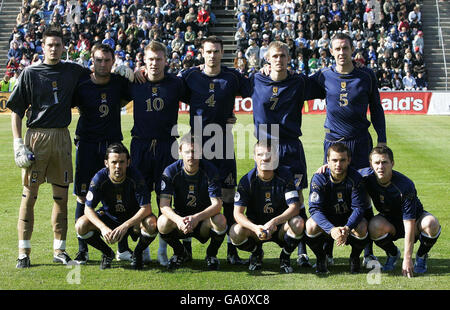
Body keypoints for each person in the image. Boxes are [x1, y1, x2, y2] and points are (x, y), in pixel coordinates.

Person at [7, 27, 92, 268]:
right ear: (42, 47)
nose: (54, 48)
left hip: (62, 138)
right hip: (36, 137)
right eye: (49, 45)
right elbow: (16, 111)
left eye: (58, 45)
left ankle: (59, 250)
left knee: (61, 198)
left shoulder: (73, 71)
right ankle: (23, 252)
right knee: (29, 196)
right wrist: (18, 143)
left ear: (64, 47)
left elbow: (97, 73)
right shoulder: (30, 73)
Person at [311, 32, 387, 266]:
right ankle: (327, 251)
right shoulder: (323, 76)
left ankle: (367, 252)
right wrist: (267, 70)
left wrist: (381, 140)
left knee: (363, 196)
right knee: (329, 193)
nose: (341, 53)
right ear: (330, 51)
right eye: (337, 49)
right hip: (333, 143)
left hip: (360, 142)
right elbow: (296, 87)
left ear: (352, 49)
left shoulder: (366, 75)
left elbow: (376, 108)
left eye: (345, 48)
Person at [250, 40, 324, 267]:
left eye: (283, 56)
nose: (279, 60)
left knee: (298, 198)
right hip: (265, 147)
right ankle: (257, 248)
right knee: (261, 195)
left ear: (289, 59)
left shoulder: (299, 82)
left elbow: (327, 84)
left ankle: (301, 251)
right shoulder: (255, 80)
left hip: (290, 146)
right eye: (275, 56)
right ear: (267, 59)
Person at [180, 36, 250, 265]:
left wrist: (267, 67)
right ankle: (186, 248)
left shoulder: (232, 77)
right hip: (197, 145)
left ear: (222, 53)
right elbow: (168, 88)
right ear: (202, 53)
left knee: (228, 194)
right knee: (188, 194)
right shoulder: (190, 76)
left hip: (223, 144)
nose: (212, 55)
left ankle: (231, 250)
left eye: (216, 51)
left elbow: (255, 87)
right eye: (208, 51)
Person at [71, 43, 138, 265]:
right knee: (82, 196)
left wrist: (135, 72)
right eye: (98, 60)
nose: (103, 64)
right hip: (88, 145)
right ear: (92, 61)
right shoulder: (81, 84)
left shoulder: (119, 83)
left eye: (107, 60)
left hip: (112, 144)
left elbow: (135, 92)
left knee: (119, 190)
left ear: (113, 62)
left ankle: (122, 246)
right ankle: (83, 250)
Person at [126, 40, 188, 266]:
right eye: (150, 59)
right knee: (139, 197)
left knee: (166, 198)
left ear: (166, 61)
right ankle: (142, 248)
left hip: (166, 146)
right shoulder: (134, 81)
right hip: (140, 146)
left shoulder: (176, 84)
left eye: (158, 59)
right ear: (144, 61)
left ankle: (165, 247)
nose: (154, 64)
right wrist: (128, 70)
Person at [360, 146, 441, 277]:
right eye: (376, 163)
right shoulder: (365, 176)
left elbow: (409, 223)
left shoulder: (405, 185)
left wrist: (407, 259)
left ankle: (421, 256)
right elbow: (344, 172)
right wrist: (324, 170)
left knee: (431, 223)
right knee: (373, 226)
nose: (380, 166)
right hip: (389, 221)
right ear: (371, 164)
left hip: (414, 221)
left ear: (392, 163)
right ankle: (393, 253)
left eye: (384, 162)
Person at [75, 143, 158, 270]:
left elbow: (146, 208)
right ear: (106, 163)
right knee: (80, 225)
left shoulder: (136, 177)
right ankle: (107, 253)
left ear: (128, 162)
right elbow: (88, 208)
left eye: (121, 162)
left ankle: (137, 254)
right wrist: (103, 228)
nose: (118, 166)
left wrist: (126, 225)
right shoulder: (99, 178)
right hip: (109, 218)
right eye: (114, 162)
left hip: (132, 220)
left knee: (152, 224)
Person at [231, 141, 305, 273]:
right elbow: (238, 214)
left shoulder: (285, 175)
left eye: (269, 154)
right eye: (260, 154)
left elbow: (294, 207)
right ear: (254, 157)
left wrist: (274, 222)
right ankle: (256, 252)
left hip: (280, 227)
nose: (265, 158)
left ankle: (285, 256)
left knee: (298, 223)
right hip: (256, 229)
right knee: (235, 232)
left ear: (276, 157)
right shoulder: (246, 180)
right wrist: (255, 227)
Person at [157, 133, 227, 270]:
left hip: (202, 221)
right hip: (180, 220)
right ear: (180, 152)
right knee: (162, 222)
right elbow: (164, 206)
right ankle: (179, 252)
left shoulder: (210, 170)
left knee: (220, 220)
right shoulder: (170, 171)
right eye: (187, 152)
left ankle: (211, 254)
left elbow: (217, 205)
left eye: (194, 152)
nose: (191, 156)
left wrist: (196, 218)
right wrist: (178, 220)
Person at [306, 143, 369, 274]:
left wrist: (347, 228)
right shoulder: (319, 178)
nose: (338, 164)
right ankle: (321, 258)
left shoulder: (355, 178)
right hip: (328, 220)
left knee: (363, 226)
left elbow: (359, 208)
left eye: (342, 160)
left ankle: (354, 257)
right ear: (327, 161)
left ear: (349, 161)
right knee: (310, 226)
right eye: (334, 160)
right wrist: (331, 229)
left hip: (348, 219)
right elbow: (314, 209)